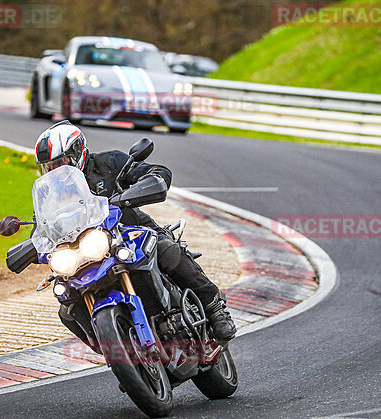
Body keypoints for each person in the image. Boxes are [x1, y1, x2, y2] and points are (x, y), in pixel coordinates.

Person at [34, 121, 237, 346]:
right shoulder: (49, 194)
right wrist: (33, 244)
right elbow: (41, 225)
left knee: (166, 250)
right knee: (67, 308)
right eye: (49, 167)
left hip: (132, 233)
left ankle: (214, 308)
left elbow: (155, 172)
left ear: (78, 152)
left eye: (60, 163)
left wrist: (150, 180)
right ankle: (116, 352)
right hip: (84, 252)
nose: (55, 171)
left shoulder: (109, 163)